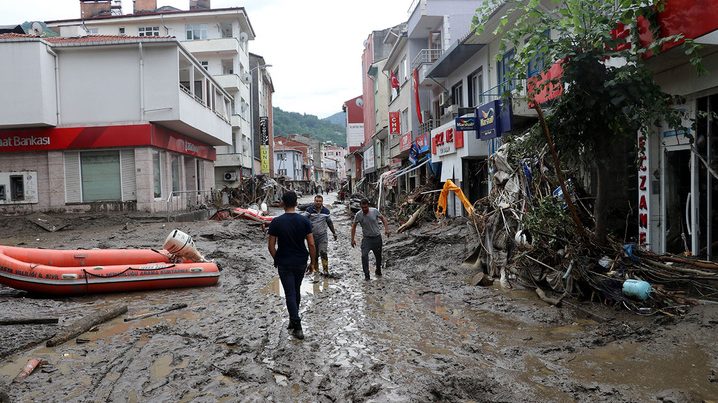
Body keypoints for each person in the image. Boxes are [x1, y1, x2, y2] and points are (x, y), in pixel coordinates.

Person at [268, 191, 316, 340]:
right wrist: (313, 262)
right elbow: (312, 244)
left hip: (285, 263)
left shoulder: (276, 222)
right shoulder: (304, 221)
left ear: (283, 203)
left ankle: (297, 325)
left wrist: (278, 259)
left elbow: (271, 246)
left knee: (289, 293)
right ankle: (293, 320)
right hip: (301, 261)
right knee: (296, 290)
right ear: (296, 203)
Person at [351, 199, 390, 281]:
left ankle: (378, 269)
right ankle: (367, 275)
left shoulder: (374, 211)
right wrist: (352, 239)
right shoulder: (358, 215)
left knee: (378, 257)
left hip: (377, 238)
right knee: (364, 255)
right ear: (360, 207)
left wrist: (386, 229)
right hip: (366, 239)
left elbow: (383, 219)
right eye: (362, 208)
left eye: (366, 207)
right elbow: (354, 226)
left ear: (368, 205)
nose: (364, 209)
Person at [303, 195, 337, 279]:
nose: (318, 202)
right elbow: (303, 220)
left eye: (320, 201)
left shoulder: (326, 211)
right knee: (314, 254)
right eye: (316, 201)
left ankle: (325, 270)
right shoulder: (309, 210)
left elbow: (329, 223)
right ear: (314, 201)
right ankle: (316, 270)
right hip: (312, 236)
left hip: (323, 236)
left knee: (323, 252)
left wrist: (334, 233)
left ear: (322, 202)